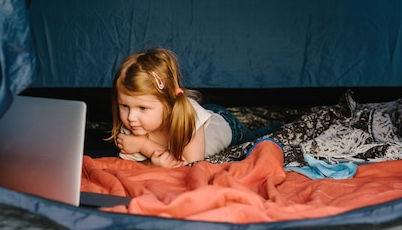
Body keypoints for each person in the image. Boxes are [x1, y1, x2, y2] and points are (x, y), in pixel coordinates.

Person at [108, 48, 280, 168]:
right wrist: (153, 164)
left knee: (258, 140)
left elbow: (190, 165)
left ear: (168, 103)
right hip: (200, 119)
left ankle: (278, 127)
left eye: (143, 108)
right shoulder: (134, 126)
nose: (130, 117)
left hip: (224, 125)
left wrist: (145, 145)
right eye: (124, 106)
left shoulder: (188, 118)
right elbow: (134, 168)